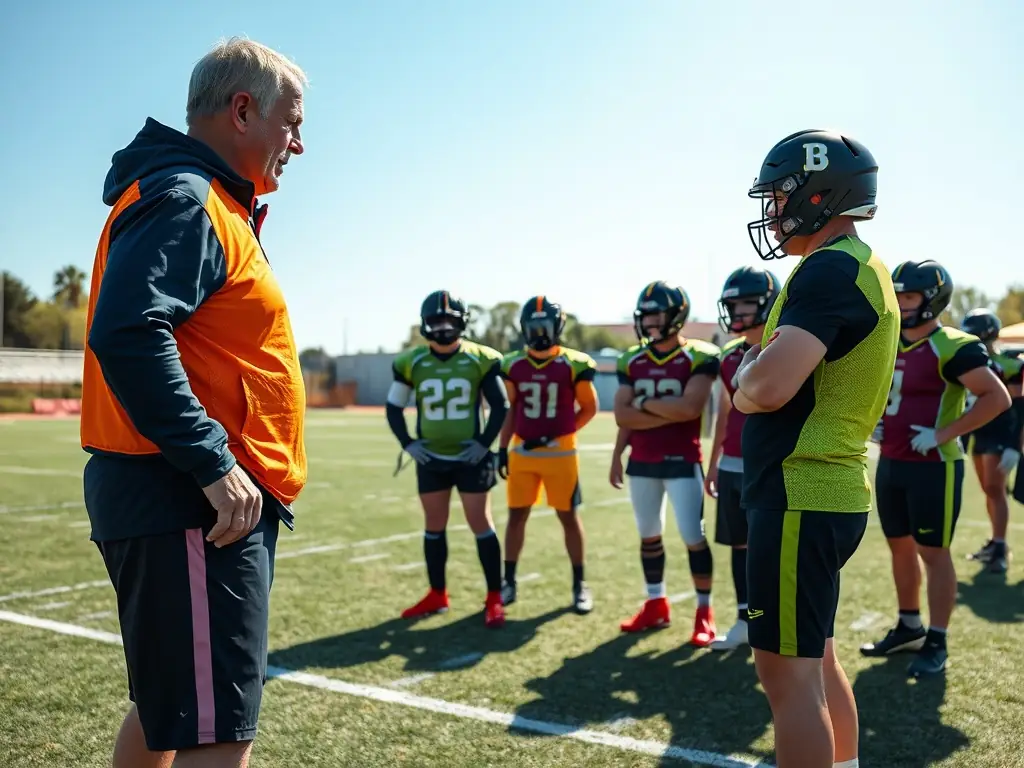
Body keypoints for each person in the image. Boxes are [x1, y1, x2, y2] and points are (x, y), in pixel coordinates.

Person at [80, 38, 308, 768]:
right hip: (192, 499)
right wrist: (213, 463)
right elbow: (127, 331)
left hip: (184, 497)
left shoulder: (202, 200)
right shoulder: (190, 197)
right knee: (216, 731)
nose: (298, 145)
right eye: (292, 123)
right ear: (243, 109)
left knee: (170, 711)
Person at [735, 129, 899, 768]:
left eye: (780, 195)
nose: (773, 211)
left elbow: (769, 383)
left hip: (800, 490)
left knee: (788, 683)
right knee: (817, 658)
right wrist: (759, 367)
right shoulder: (855, 264)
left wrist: (749, 380)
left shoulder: (831, 267)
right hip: (825, 488)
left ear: (817, 194)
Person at [860, 261, 1010, 677]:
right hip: (891, 460)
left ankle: (938, 638)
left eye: (908, 296)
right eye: (898, 295)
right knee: (900, 547)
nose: (901, 304)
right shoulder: (886, 339)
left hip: (934, 466)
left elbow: (996, 399)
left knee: (933, 552)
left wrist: (945, 434)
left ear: (932, 299)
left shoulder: (954, 345)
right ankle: (909, 625)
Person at [386, 290, 509, 628]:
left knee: (480, 523)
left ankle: (494, 598)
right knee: (434, 526)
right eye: (436, 321)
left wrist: (484, 444)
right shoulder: (412, 361)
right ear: (425, 324)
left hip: (471, 459)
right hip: (432, 458)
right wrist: (408, 443)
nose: (442, 327)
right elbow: (394, 407)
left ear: (461, 322)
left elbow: (501, 406)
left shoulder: (480, 358)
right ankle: (437, 593)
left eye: (449, 320)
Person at [610, 281, 720, 645]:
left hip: (681, 459)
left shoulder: (700, 357)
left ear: (676, 315)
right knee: (648, 536)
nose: (649, 322)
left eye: (656, 315)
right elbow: (622, 417)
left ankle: (704, 610)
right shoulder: (632, 359)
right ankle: (656, 602)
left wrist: (642, 405)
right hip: (641, 460)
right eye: (646, 316)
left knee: (693, 536)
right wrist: (616, 454)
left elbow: (690, 409)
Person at [498, 297, 599, 613]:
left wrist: (560, 434)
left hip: (560, 455)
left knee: (568, 516)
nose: (539, 332)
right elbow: (510, 410)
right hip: (523, 453)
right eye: (533, 326)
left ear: (557, 328)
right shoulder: (512, 364)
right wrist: (501, 449)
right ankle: (509, 581)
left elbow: (589, 408)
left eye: (545, 326)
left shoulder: (574, 363)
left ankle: (579, 584)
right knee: (516, 516)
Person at [705, 266, 780, 651]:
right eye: (732, 304)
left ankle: (772, 624)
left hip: (772, 465)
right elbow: (724, 411)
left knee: (770, 550)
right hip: (733, 462)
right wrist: (714, 459)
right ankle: (745, 620)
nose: (737, 312)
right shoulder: (729, 355)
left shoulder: (785, 347)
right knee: (739, 547)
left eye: (747, 304)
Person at [960, 308, 1022, 574]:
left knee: (995, 490)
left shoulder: (1010, 364)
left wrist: (1014, 445)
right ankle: (995, 542)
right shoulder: (968, 361)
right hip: (979, 432)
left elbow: (1019, 408)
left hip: (1000, 433)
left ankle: (999, 546)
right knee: (988, 489)